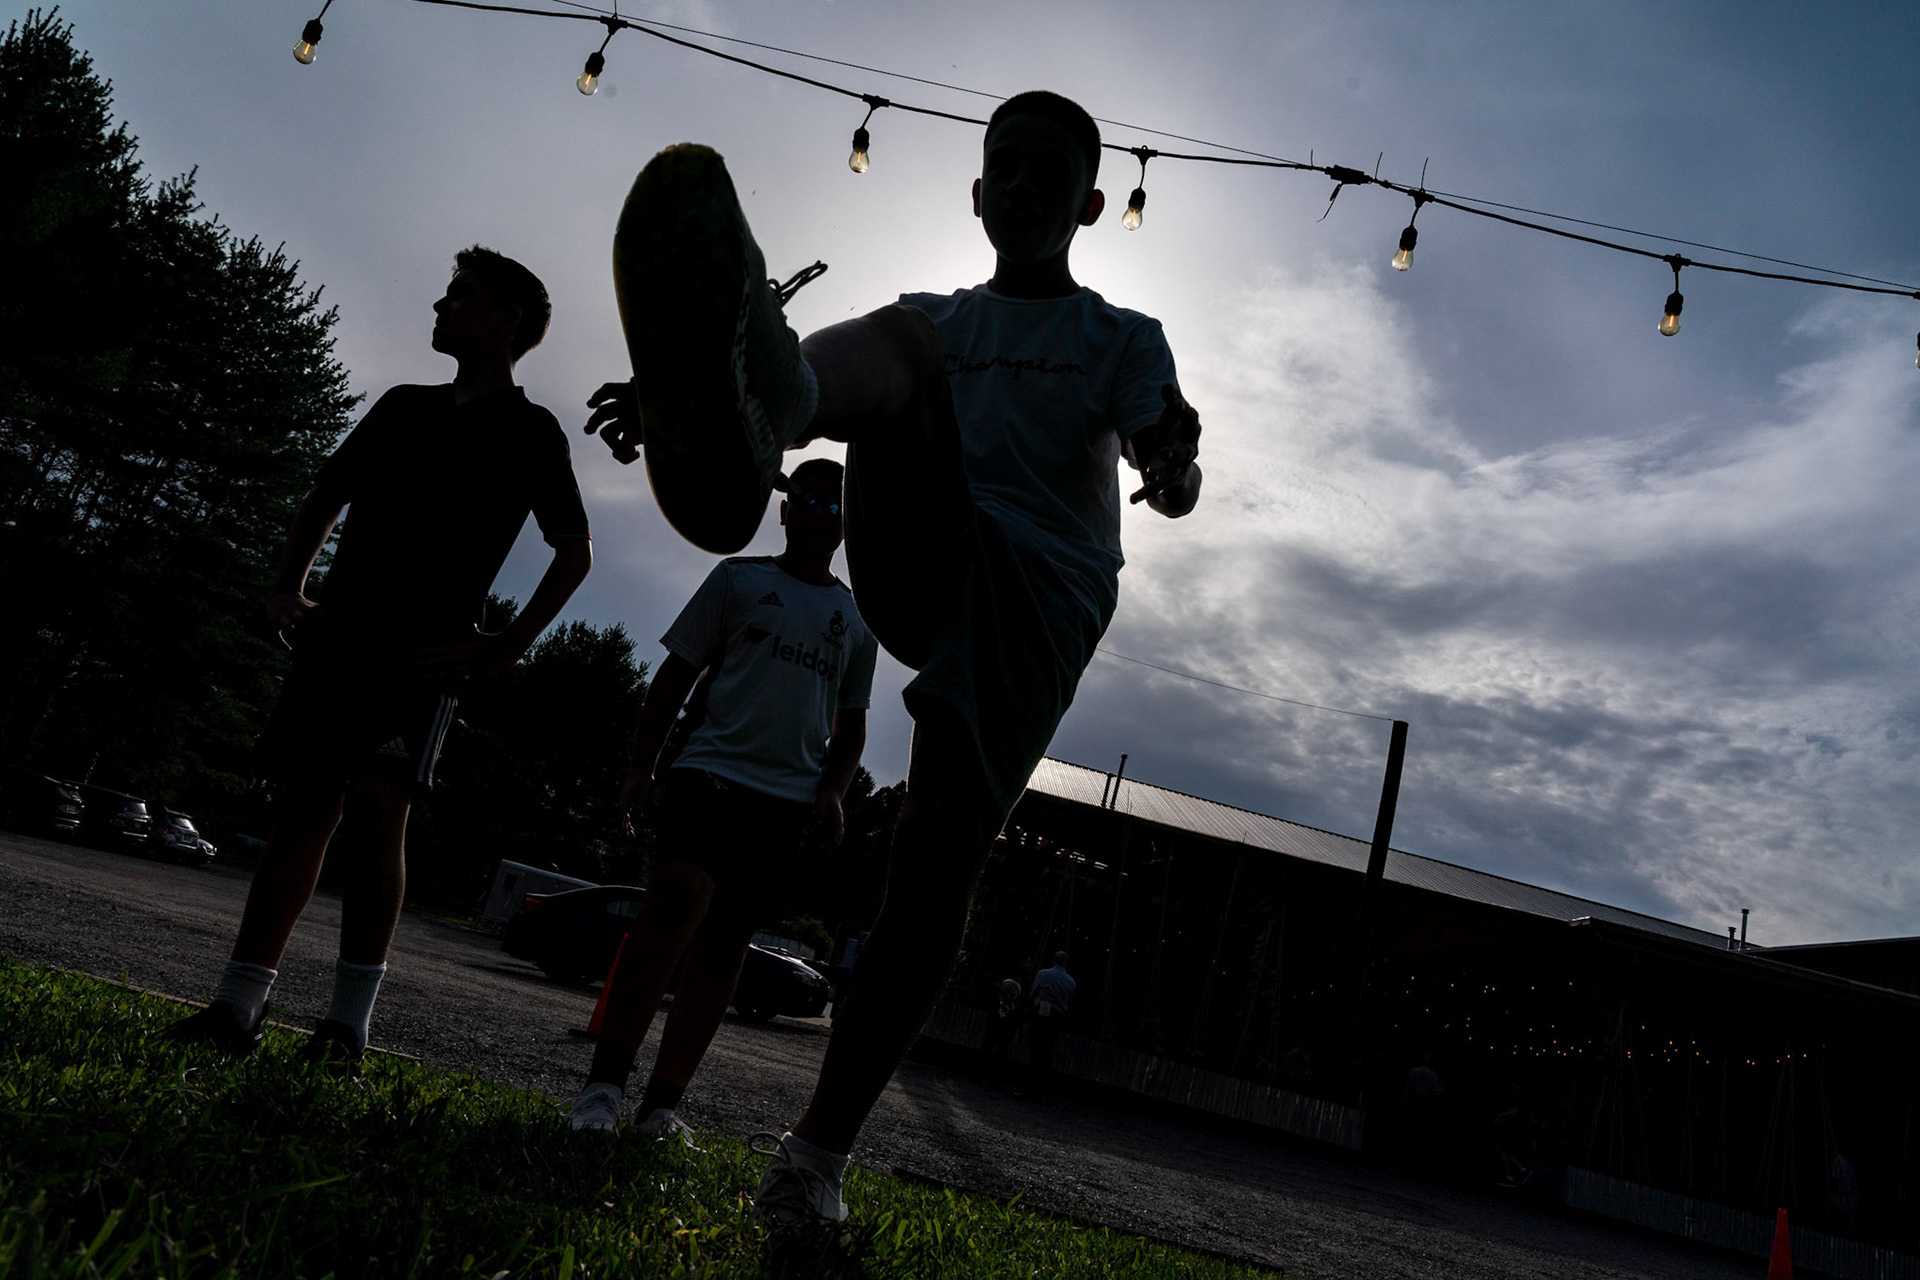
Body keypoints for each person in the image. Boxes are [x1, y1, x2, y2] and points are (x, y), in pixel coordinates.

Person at [586, 89, 1201, 1228]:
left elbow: (1171, 452)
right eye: (1001, 168)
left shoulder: (1117, 338)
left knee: (933, 854)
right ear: (974, 194)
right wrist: (684, 408)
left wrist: (1172, 462)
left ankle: (814, 1155)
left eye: (1045, 174)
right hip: (929, 537)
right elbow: (906, 359)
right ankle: (756, 401)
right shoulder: (946, 318)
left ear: (1091, 205)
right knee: (910, 338)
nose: (1019, 187)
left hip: (1041, 593)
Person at [166, 247, 593, 1072]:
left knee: (375, 815)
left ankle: (345, 1028)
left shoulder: (532, 431)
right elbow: (324, 495)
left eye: (459, 296)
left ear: (506, 318)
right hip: (341, 638)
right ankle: (236, 1005)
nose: (440, 305)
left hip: (426, 655)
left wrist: (505, 645)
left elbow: (572, 550)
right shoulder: (402, 406)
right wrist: (286, 588)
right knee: (302, 812)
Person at [565, 457, 877, 1143]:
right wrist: (641, 763)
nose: (820, 513)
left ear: (846, 524)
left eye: (835, 505)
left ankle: (661, 1106)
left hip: (784, 803)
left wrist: (832, 792)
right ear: (785, 509)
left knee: (726, 942)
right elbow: (675, 674)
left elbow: (850, 726)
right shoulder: (739, 579)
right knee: (672, 901)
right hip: (707, 774)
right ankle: (602, 1089)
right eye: (808, 499)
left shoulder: (855, 621)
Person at [1026, 952, 1076, 1099]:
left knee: (1035, 1050)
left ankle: (1029, 1088)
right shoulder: (1070, 982)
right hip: (1057, 1017)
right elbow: (1068, 1000)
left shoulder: (1043, 974)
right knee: (1047, 1052)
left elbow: (1033, 992)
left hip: (1042, 1012)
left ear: (1054, 959)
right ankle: (1038, 1091)